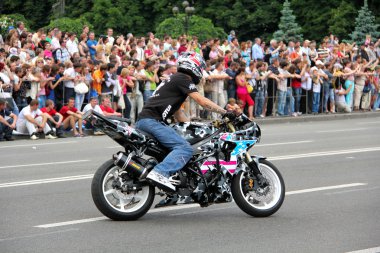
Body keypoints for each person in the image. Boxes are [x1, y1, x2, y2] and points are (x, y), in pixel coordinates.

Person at [135, 52, 231, 192]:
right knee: (184, 148)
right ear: (194, 66)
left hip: (146, 121)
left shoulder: (174, 79)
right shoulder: (183, 79)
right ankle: (160, 172)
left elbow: (178, 113)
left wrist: (195, 127)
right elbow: (201, 100)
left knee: (180, 145)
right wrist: (225, 113)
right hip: (152, 121)